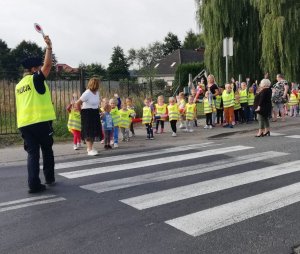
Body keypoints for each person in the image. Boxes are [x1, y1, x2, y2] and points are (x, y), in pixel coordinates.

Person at [15, 35, 56, 193]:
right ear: (33, 70)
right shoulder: (35, 79)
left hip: (24, 124)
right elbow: (47, 66)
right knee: (47, 149)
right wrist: (49, 47)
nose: (41, 69)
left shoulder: (19, 85)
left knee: (32, 154)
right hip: (40, 121)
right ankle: (50, 178)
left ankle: (33, 184)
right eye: (38, 67)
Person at [76, 78, 102, 156]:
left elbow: (96, 105)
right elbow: (78, 103)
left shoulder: (97, 93)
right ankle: (89, 149)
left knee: (94, 130)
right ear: (95, 84)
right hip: (87, 113)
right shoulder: (87, 93)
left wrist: (101, 112)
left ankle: (90, 147)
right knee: (88, 131)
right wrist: (81, 112)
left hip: (95, 113)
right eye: (98, 84)